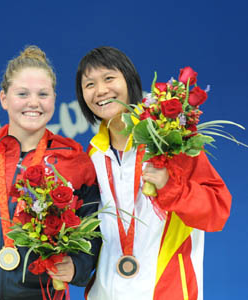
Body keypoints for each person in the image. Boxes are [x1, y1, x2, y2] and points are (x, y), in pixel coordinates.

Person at [75, 46, 232, 300]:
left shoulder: (171, 141)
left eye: (109, 78)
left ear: (129, 80)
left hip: (166, 291)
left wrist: (170, 186)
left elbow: (217, 211)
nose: (100, 90)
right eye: (89, 84)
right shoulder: (92, 156)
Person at [0, 45, 101, 300]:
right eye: (22, 93)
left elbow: (94, 226)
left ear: (54, 99)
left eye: (43, 94)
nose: (33, 103)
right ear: (4, 98)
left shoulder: (75, 160)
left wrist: (77, 266)